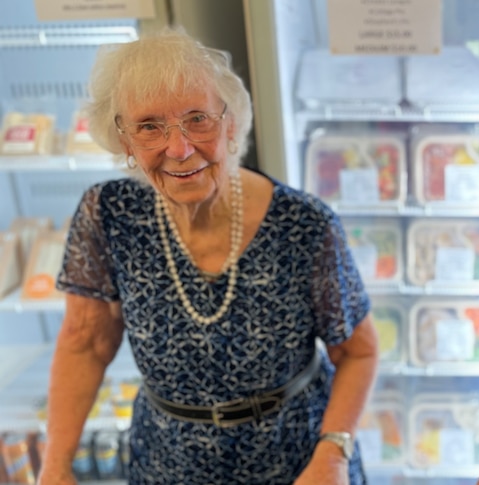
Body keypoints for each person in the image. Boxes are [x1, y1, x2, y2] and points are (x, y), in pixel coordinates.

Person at [38, 28, 378, 485]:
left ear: (230, 123)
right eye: (149, 127)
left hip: (298, 462)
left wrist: (334, 451)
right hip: (167, 465)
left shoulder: (306, 225)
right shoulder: (109, 215)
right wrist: (56, 463)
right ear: (125, 142)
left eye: (198, 118)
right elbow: (85, 343)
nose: (178, 148)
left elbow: (359, 351)